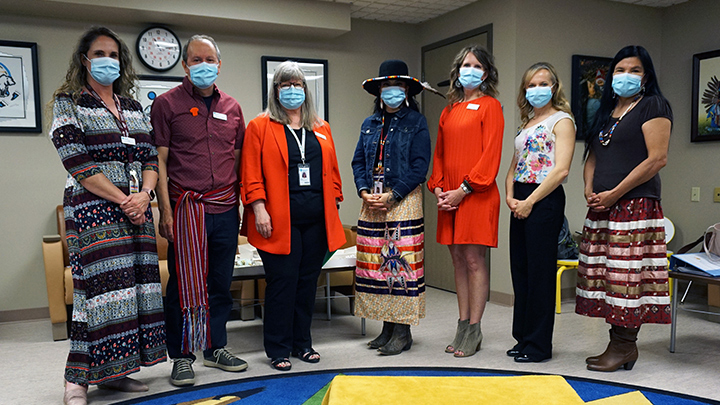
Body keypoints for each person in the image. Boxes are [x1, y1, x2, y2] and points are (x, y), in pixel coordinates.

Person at [50, 26, 166, 405]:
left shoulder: (132, 107)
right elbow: (77, 161)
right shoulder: (69, 101)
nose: (108, 61)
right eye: (99, 53)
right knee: (95, 295)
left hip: (136, 210)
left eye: (114, 55)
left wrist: (144, 196)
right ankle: (77, 381)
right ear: (84, 59)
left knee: (131, 293)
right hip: (93, 212)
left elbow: (150, 156)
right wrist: (124, 200)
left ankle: (116, 374)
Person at [151, 34, 247, 387]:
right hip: (186, 209)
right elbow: (159, 160)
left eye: (209, 60)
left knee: (221, 283)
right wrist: (165, 210)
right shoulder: (166, 104)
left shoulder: (233, 108)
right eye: (195, 60)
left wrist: (241, 208)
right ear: (185, 65)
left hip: (224, 208)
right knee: (181, 285)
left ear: (219, 65)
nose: (202, 65)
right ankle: (181, 356)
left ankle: (215, 346)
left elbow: (238, 162)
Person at [241, 61, 345, 371]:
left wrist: (336, 200)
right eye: (285, 85)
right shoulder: (259, 126)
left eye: (297, 84)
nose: (292, 90)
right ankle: (278, 348)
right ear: (275, 91)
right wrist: (258, 208)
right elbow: (250, 172)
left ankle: (303, 343)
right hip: (276, 221)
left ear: (306, 90)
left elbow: (333, 171)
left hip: (316, 221)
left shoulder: (321, 127)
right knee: (282, 283)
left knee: (306, 284)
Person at [577, 45, 672, 372]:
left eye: (634, 71)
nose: (625, 77)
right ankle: (617, 342)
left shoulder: (653, 105)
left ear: (646, 77)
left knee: (625, 279)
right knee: (606, 278)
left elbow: (657, 158)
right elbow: (592, 155)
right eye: (619, 70)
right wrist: (589, 188)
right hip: (602, 207)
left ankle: (624, 346)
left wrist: (615, 192)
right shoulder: (605, 112)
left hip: (634, 206)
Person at [427, 45, 504, 358]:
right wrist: (439, 189)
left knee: (474, 260)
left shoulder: (491, 106)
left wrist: (464, 189)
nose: (469, 70)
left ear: (485, 73)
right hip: (449, 197)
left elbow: (491, 156)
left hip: (477, 195)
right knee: (457, 259)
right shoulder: (449, 109)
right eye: (464, 65)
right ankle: (461, 324)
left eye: (475, 65)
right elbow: (441, 154)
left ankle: (475, 328)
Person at [352, 60, 431, 355]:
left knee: (401, 264)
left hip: (403, 200)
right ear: (379, 91)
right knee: (376, 265)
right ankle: (387, 327)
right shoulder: (369, 124)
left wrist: (394, 194)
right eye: (386, 86)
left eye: (396, 86)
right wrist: (363, 191)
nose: (391, 91)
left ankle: (403, 331)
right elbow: (358, 161)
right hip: (372, 201)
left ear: (407, 90)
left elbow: (420, 166)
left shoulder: (416, 122)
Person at [504, 62, 575, 363]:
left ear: (554, 87)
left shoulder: (562, 121)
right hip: (519, 198)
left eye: (542, 84)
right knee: (521, 270)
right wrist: (510, 195)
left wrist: (530, 201)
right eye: (530, 85)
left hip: (543, 199)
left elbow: (561, 170)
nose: (536, 90)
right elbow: (513, 167)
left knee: (540, 273)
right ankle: (523, 337)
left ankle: (539, 345)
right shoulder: (526, 124)